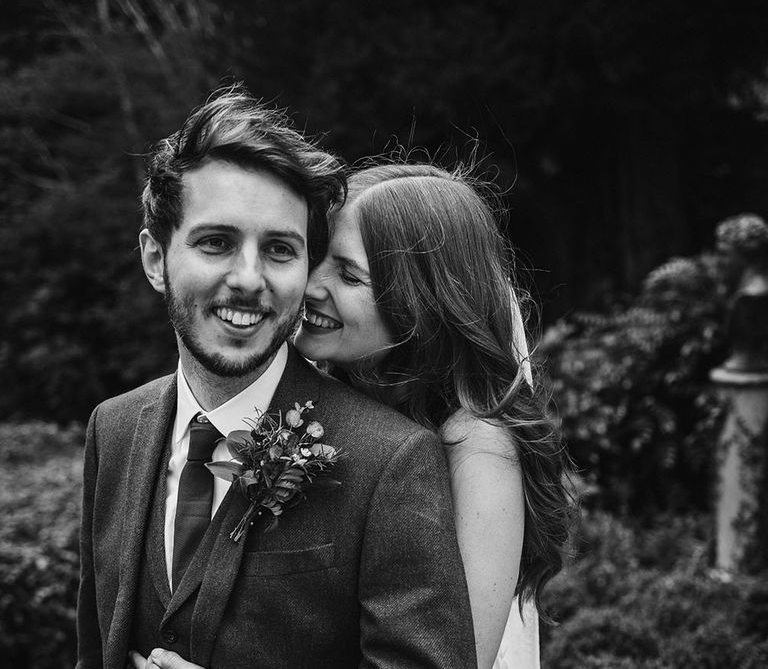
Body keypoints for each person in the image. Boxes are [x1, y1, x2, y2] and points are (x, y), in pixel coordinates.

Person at [76, 91, 478, 669]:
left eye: (280, 250)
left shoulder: (390, 461)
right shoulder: (110, 430)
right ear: (155, 258)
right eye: (216, 242)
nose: (248, 278)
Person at [293, 162, 573, 669]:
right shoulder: (312, 395)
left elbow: (454, 657)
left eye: (350, 274)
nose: (312, 284)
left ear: (419, 300)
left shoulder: (478, 448)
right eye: (315, 257)